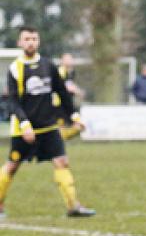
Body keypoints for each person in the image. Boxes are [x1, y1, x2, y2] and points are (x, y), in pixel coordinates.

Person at [0, 27, 95, 219]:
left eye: (34, 38)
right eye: (27, 39)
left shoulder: (48, 66)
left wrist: (74, 116)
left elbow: (62, 93)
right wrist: (25, 124)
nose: (31, 42)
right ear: (20, 43)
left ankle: (73, 206)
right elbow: (12, 101)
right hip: (23, 130)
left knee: (62, 162)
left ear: (39, 41)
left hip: (49, 126)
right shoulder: (15, 68)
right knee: (12, 165)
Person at [56, 53, 86, 140]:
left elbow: (70, 85)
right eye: (67, 59)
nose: (69, 61)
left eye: (70, 59)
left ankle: (56, 142)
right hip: (58, 104)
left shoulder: (71, 72)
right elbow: (67, 87)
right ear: (62, 61)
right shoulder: (61, 71)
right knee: (74, 126)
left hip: (66, 104)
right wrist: (79, 92)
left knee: (76, 126)